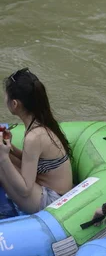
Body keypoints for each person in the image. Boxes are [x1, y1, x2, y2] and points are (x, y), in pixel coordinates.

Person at [0, 68, 72, 215]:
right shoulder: (39, 123)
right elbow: (31, 160)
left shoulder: (34, 137)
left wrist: (3, 157)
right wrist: (10, 148)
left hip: (53, 201)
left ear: (15, 104)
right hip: (52, 189)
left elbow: (25, 189)